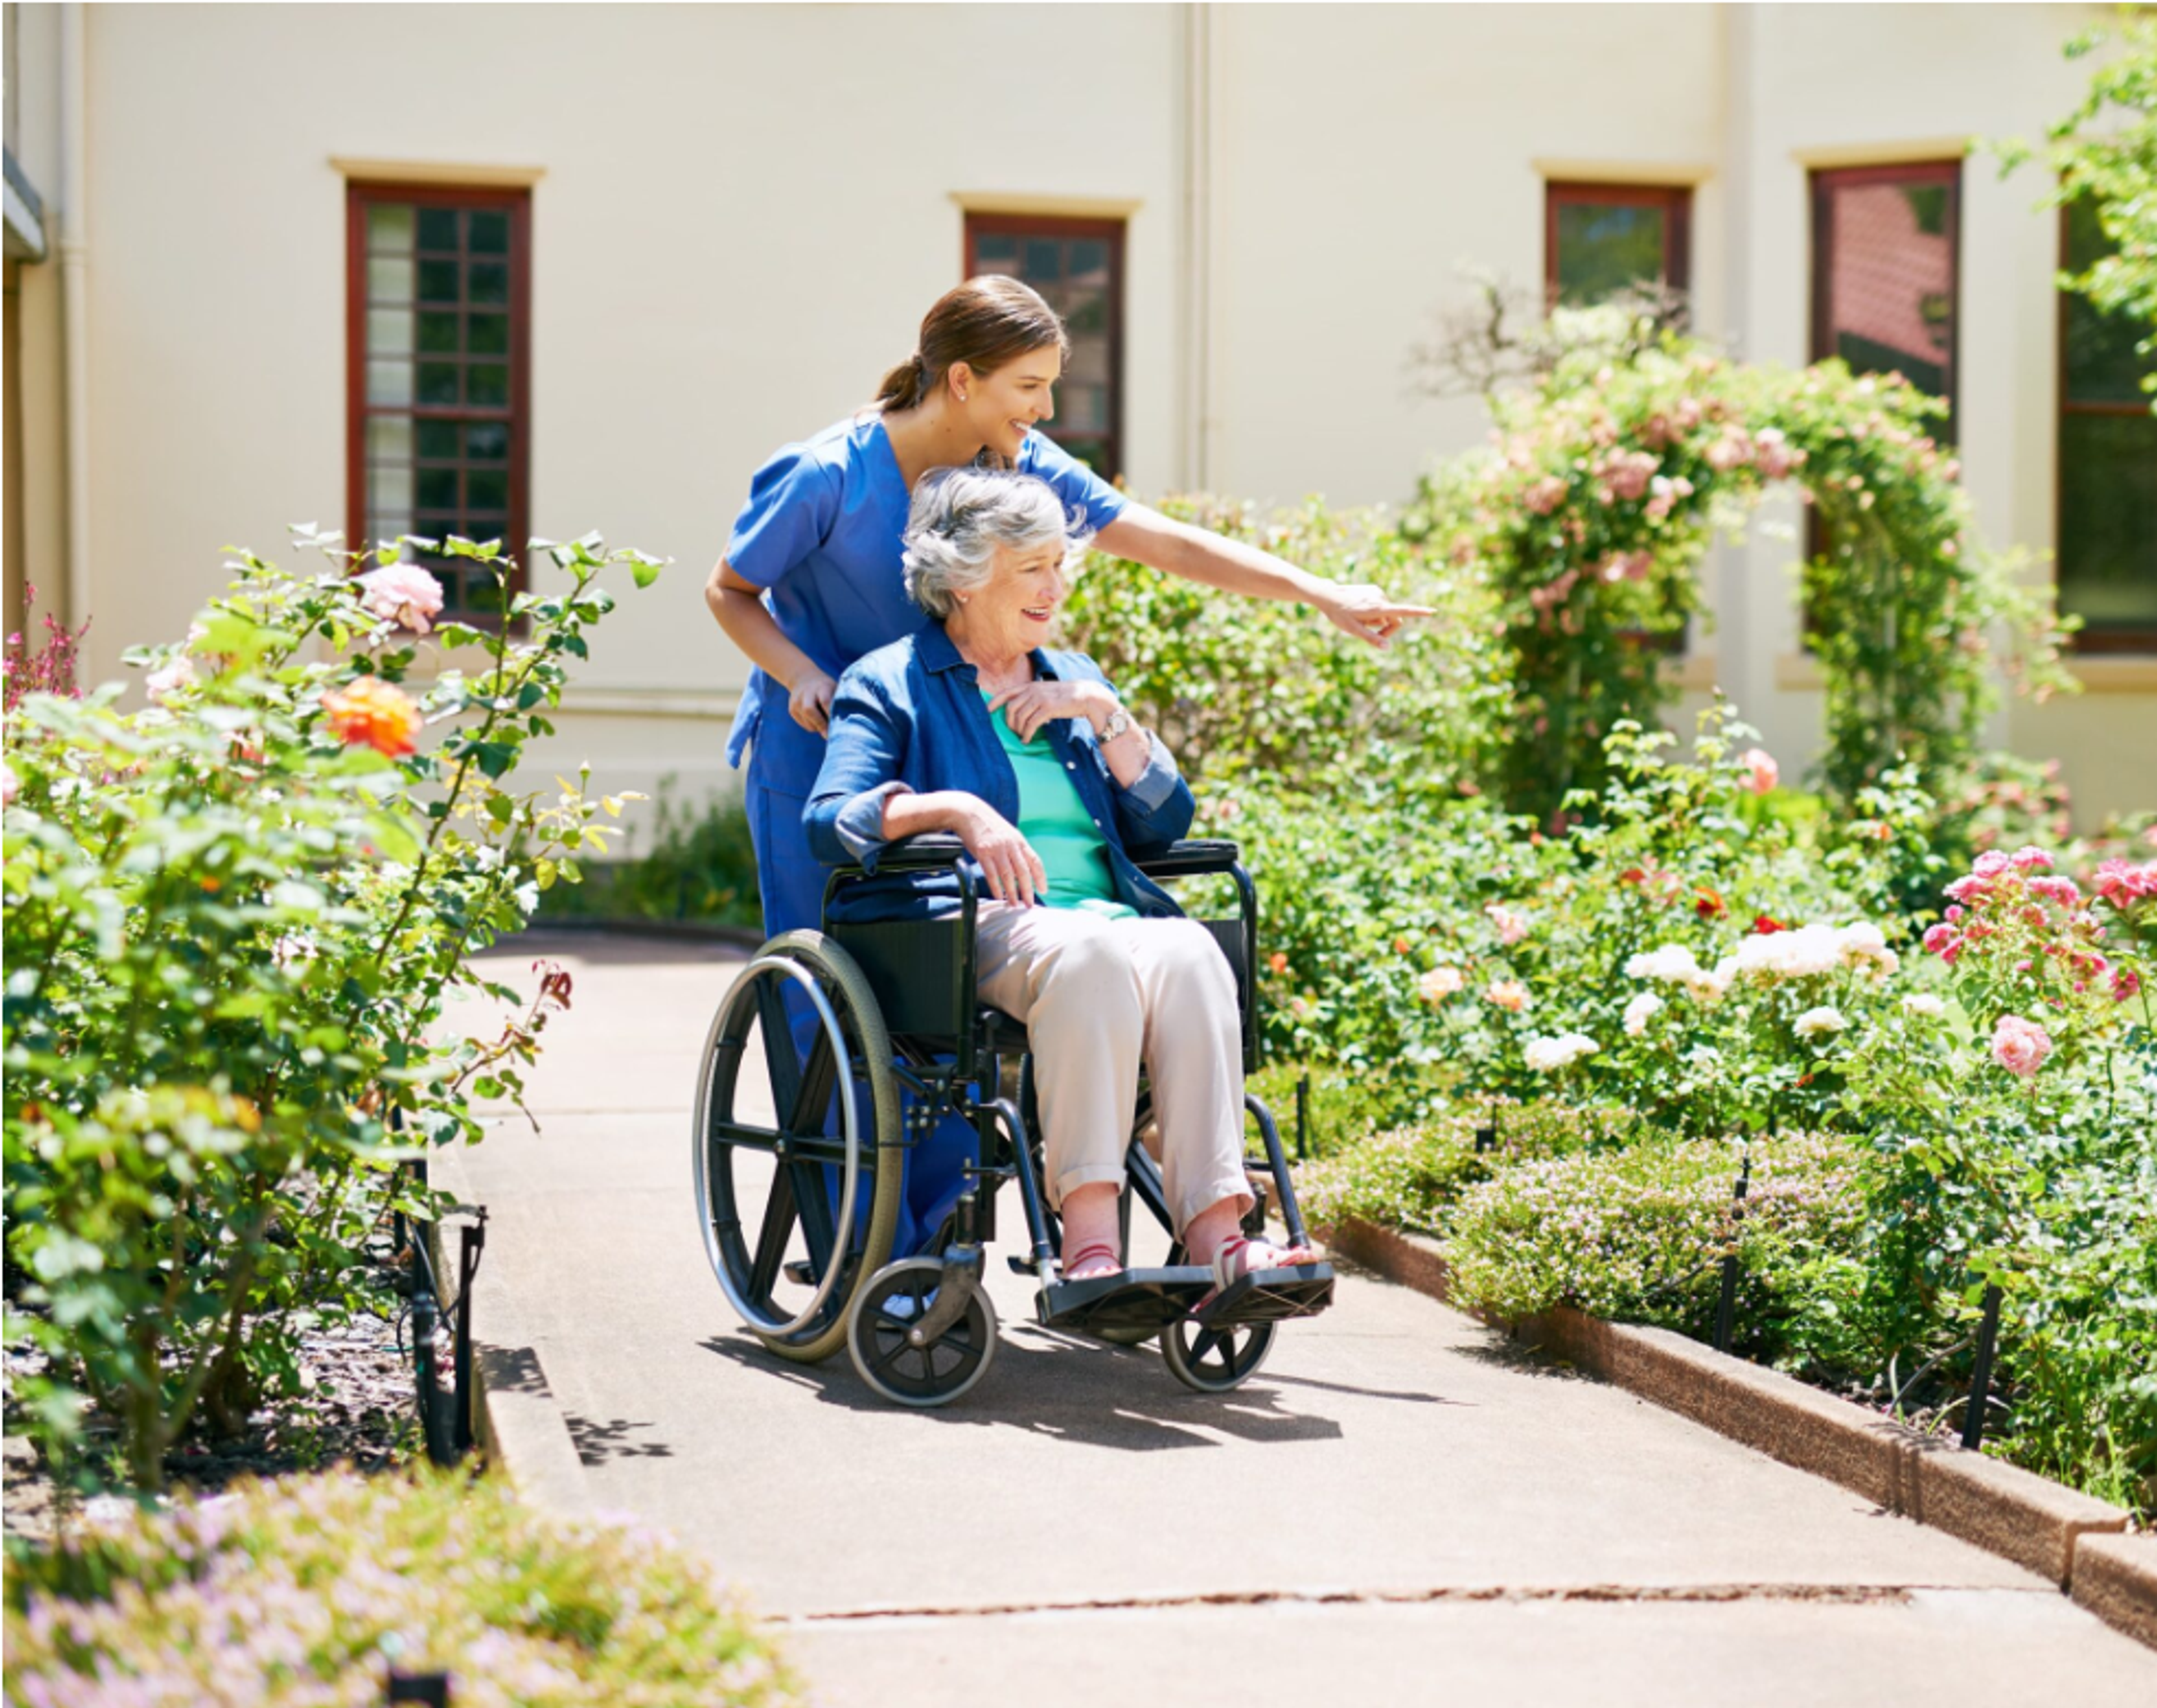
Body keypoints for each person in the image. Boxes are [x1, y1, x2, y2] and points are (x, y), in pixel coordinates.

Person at [706, 273, 1431, 944]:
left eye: (1051, 387)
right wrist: (801, 674)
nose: (1046, 409)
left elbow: (1168, 544)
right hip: (824, 739)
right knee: (818, 972)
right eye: (1029, 386)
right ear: (962, 380)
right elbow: (730, 590)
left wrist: (1321, 592)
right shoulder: (824, 473)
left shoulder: (1021, 458)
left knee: (932, 986)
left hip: (951, 741)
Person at [805, 467, 1322, 1315]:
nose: (1056, 587)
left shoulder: (1071, 674)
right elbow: (830, 821)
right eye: (1031, 568)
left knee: (1191, 947)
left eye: (1059, 563)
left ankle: (1220, 1235)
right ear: (965, 580)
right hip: (978, 926)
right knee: (1084, 953)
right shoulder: (890, 681)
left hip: (1105, 920)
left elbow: (1163, 822)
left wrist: (1101, 710)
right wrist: (958, 810)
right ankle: (1088, 1242)